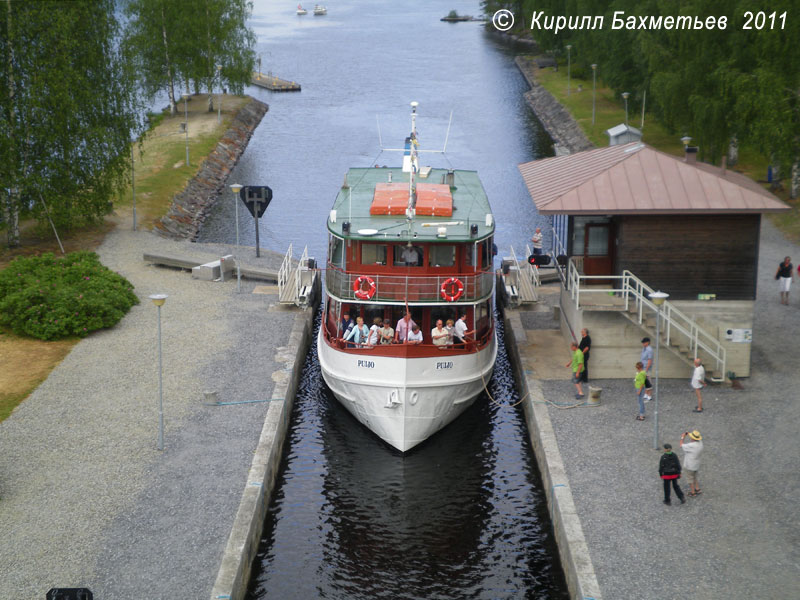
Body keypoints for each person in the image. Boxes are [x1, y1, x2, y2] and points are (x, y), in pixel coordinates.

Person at [680, 430, 704, 497]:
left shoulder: (691, 445)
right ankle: (697, 489)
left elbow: (681, 445)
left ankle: (692, 492)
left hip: (689, 465)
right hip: (696, 464)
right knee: (695, 476)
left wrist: (682, 437)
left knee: (690, 479)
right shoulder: (700, 443)